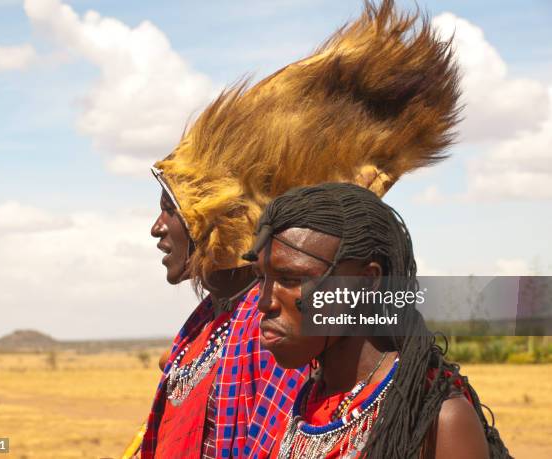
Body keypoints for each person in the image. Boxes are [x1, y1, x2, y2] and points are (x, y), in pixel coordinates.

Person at [123, 0, 461, 457]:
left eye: (171, 207)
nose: (157, 227)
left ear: (217, 217)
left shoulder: (269, 333)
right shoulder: (212, 323)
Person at [246, 182, 511, 458]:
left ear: (367, 280)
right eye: (260, 278)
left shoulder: (435, 421)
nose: (265, 301)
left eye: (291, 279)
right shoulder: (306, 403)